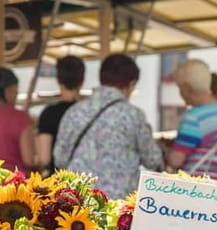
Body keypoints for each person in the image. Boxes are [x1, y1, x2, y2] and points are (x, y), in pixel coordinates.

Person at [54, 53, 162, 199]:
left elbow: (60, 159)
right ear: (131, 84)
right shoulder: (133, 115)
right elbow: (153, 160)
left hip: (78, 204)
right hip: (117, 207)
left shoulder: (74, 112)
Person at [166, 59, 217, 180]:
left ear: (187, 88)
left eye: (180, 88)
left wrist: (167, 153)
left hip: (195, 188)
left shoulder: (194, 117)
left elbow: (176, 160)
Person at [36, 55, 85, 173]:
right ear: (82, 80)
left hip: (59, 183)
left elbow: (44, 159)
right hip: (88, 180)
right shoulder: (88, 113)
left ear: (58, 79)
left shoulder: (48, 114)